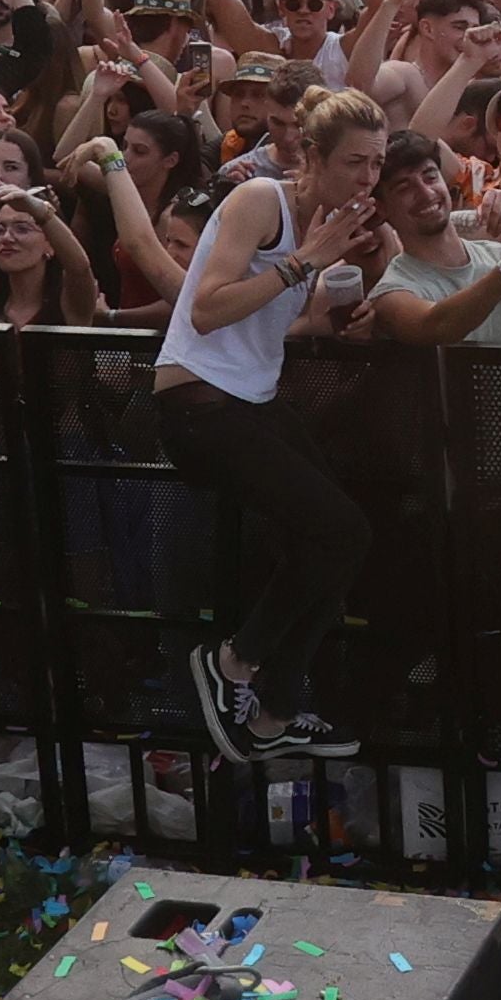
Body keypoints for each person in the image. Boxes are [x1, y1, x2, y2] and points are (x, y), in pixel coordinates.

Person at [155, 81, 387, 762]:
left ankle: (276, 712)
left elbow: (281, 321)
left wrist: (344, 317)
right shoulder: (262, 201)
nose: (368, 177)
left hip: (250, 400)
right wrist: (304, 263)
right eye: (355, 163)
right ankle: (231, 664)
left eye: (376, 164)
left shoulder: (328, 225)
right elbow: (206, 308)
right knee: (342, 532)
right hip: (199, 404)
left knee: (340, 543)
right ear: (312, 156)